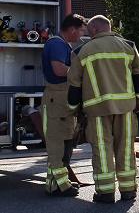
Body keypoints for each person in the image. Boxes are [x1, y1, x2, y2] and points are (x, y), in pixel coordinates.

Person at [67, 15, 139, 203]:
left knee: (102, 149)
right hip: (126, 107)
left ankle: (105, 192)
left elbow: (74, 85)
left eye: (88, 29)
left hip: (96, 110)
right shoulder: (129, 46)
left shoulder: (81, 52)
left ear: (95, 29)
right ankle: (128, 190)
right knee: (125, 148)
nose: (86, 33)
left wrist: (73, 109)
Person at [41, 13, 86, 197]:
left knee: (64, 141)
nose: (81, 35)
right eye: (81, 31)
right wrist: (81, 72)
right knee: (58, 144)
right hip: (57, 98)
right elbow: (59, 69)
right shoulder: (57, 44)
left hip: (60, 98)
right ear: (73, 29)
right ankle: (61, 186)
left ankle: (55, 185)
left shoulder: (60, 44)